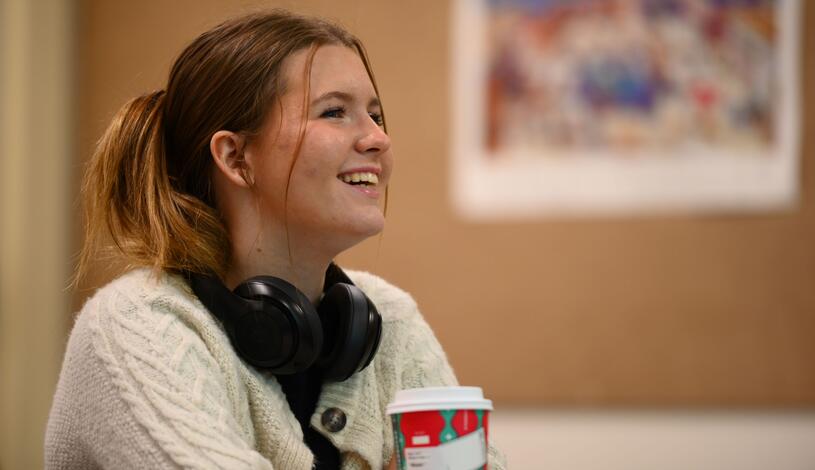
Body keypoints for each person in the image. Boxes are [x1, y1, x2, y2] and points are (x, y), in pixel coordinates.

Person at [45, 9, 505, 470]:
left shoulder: (391, 318)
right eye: (335, 112)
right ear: (236, 157)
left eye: (376, 114)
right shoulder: (135, 328)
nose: (378, 138)